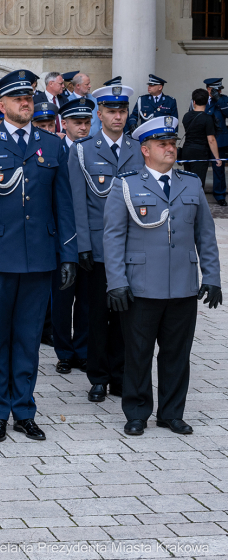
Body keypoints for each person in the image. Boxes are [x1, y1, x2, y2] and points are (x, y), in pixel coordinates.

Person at [0, 69, 76, 444]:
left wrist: (68, 256)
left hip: (40, 257)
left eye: (28, 97)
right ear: (1, 104)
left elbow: (64, 207)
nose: (25, 102)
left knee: (28, 340)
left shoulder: (53, 145)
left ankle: (24, 410)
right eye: (16, 98)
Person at [104, 116, 221, 437]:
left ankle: (171, 413)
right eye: (163, 144)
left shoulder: (191, 183)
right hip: (140, 286)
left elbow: (206, 236)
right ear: (145, 150)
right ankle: (138, 412)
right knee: (138, 354)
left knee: (176, 355)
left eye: (172, 143)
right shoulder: (125, 185)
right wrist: (116, 282)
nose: (171, 149)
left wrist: (212, 276)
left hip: (182, 286)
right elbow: (113, 237)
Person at [67, 85, 144, 404]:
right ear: (99, 115)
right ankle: (98, 377)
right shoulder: (83, 149)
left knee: (128, 316)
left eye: (122, 111)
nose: (117, 116)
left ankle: (121, 375)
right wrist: (82, 245)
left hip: (133, 247)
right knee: (97, 316)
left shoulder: (140, 147)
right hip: (97, 249)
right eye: (111, 111)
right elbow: (77, 202)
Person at [51, 98, 95, 375]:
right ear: (64, 123)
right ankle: (64, 351)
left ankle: (83, 349)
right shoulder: (55, 150)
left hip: (88, 236)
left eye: (87, 122)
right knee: (62, 300)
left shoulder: (95, 152)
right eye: (77, 122)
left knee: (87, 300)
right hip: (59, 237)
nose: (82, 127)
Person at [181, 87, 222, 188]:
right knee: (198, 183)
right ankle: (197, 203)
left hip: (186, 151)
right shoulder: (207, 118)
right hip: (200, 153)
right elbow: (211, 140)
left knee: (187, 181)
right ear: (207, 102)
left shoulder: (186, 116)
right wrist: (217, 158)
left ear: (194, 102)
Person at [204, 77, 228, 206]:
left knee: (218, 169)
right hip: (203, 139)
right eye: (215, 90)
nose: (218, 91)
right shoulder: (201, 99)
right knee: (201, 168)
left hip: (219, 139)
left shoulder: (224, 99)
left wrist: (218, 100)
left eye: (219, 89)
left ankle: (220, 195)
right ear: (208, 89)